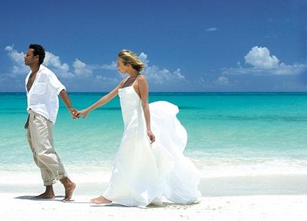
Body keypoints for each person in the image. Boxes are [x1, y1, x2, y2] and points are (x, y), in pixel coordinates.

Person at [78, 49, 201, 207]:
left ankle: (109, 195)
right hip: (129, 124)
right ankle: (141, 191)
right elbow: (108, 97)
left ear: (128, 65)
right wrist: (87, 110)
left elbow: (145, 105)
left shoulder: (141, 80)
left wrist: (149, 129)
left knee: (123, 157)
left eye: (119, 64)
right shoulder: (124, 82)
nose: (117, 67)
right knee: (136, 159)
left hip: (137, 124)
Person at [24, 43, 77, 201]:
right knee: (37, 154)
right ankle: (49, 189)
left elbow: (60, 90)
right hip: (33, 116)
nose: (24, 57)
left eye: (28, 54)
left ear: (36, 58)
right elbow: (34, 101)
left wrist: (70, 108)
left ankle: (66, 182)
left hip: (42, 117)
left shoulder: (46, 74)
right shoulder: (28, 76)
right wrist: (28, 119)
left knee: (44, 151)